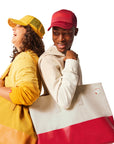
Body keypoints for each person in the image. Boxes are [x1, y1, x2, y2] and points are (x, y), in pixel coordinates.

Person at [0, 15, 45, 143]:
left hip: (14, 135)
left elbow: (27, 93)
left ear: (30, 33)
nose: (14, 28)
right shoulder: (27, 57)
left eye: (20, 26)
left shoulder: (25, 58)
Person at [39, 9, 82, 109]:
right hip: (58, 123)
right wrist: (71, 62)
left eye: (66, 33)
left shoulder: (70, 55)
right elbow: (64, 101)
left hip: (76, 119)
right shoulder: (48, 60)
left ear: (75, 32)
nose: (60, 39)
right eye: (56, 33)